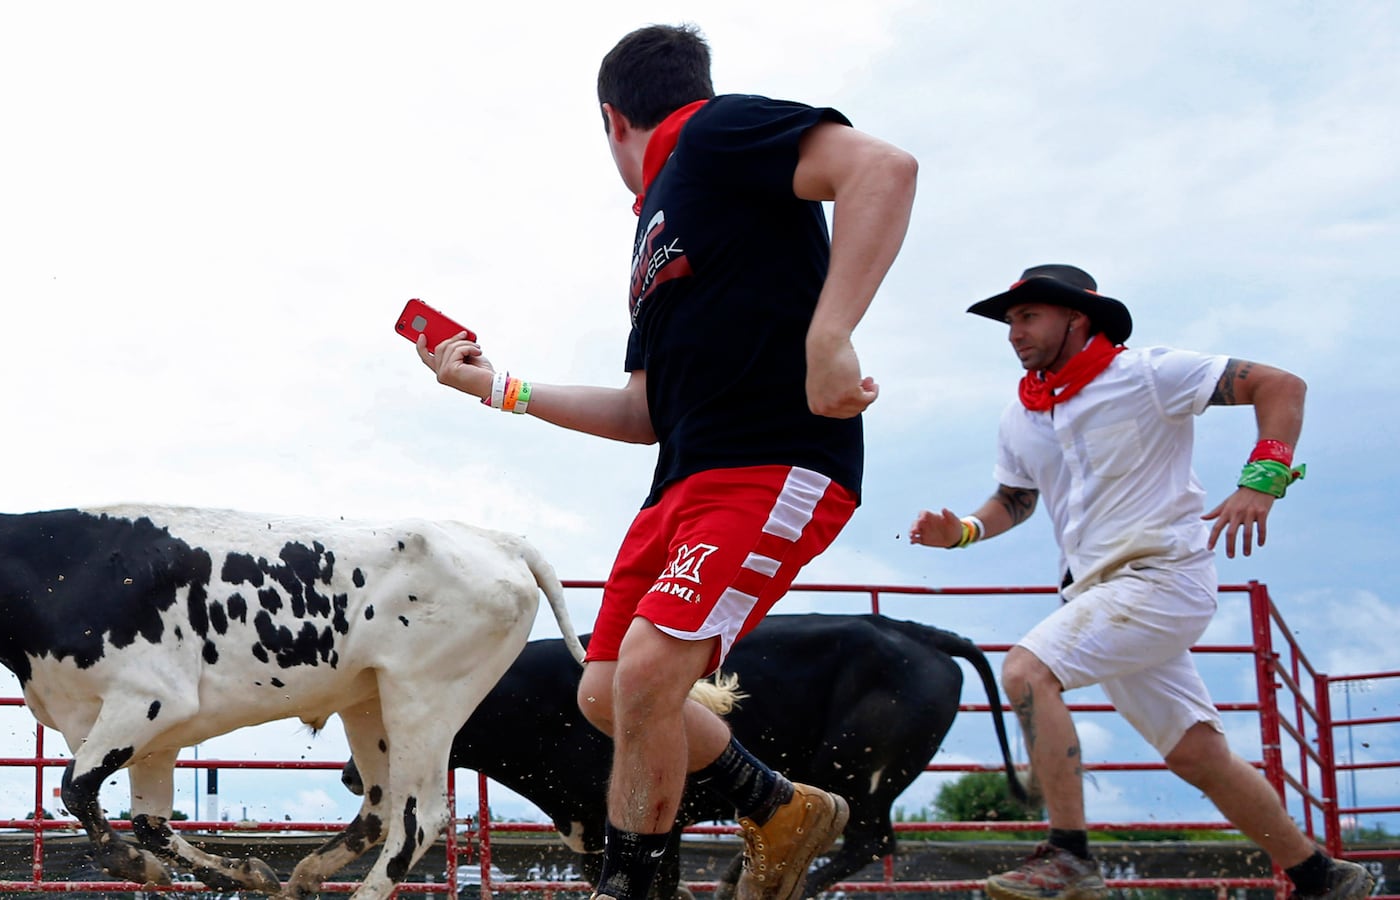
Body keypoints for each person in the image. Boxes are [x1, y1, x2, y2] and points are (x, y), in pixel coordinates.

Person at [411, 22, 916, 900]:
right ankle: (782, 807)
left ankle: (630, 888)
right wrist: (497, 389)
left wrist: (832, 333)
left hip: (771, 463)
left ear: (613, 119)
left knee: (648, 671)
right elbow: (642, 413)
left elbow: (884, 169)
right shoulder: (654, 231)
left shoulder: (715, 131)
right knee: (605, 691)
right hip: (678, 481)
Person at [908, 264, 1375, 900]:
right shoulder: (1021, 413)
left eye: (1027, 316)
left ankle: (1068, 855)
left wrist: (1262, 481)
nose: (1013, 333)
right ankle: (1319, 874)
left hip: (1162, 578)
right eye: (1009, 322)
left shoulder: (1148, 373)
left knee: (1025, 672)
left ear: (1077, 317)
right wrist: (961, 531)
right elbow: (1015, 499)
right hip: (1100, 599)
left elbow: (1281, 384)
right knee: (1195, 754)